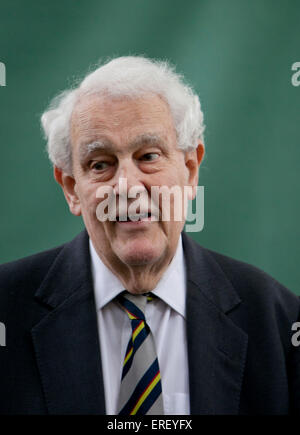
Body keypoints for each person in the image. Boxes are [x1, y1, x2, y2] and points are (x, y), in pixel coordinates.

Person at [0, 56, 299, 415]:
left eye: (148, 156)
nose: (126, 186)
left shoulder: (278, 322)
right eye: (100, 164)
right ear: (71, 188)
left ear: (190, 171)